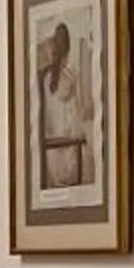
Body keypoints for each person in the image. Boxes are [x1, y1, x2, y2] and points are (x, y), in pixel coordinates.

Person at [36, 17, 95, 192]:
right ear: (68, 51)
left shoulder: (46, 78)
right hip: (68, 151)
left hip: (51, 155)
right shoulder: (70, 76)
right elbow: (76, 112)